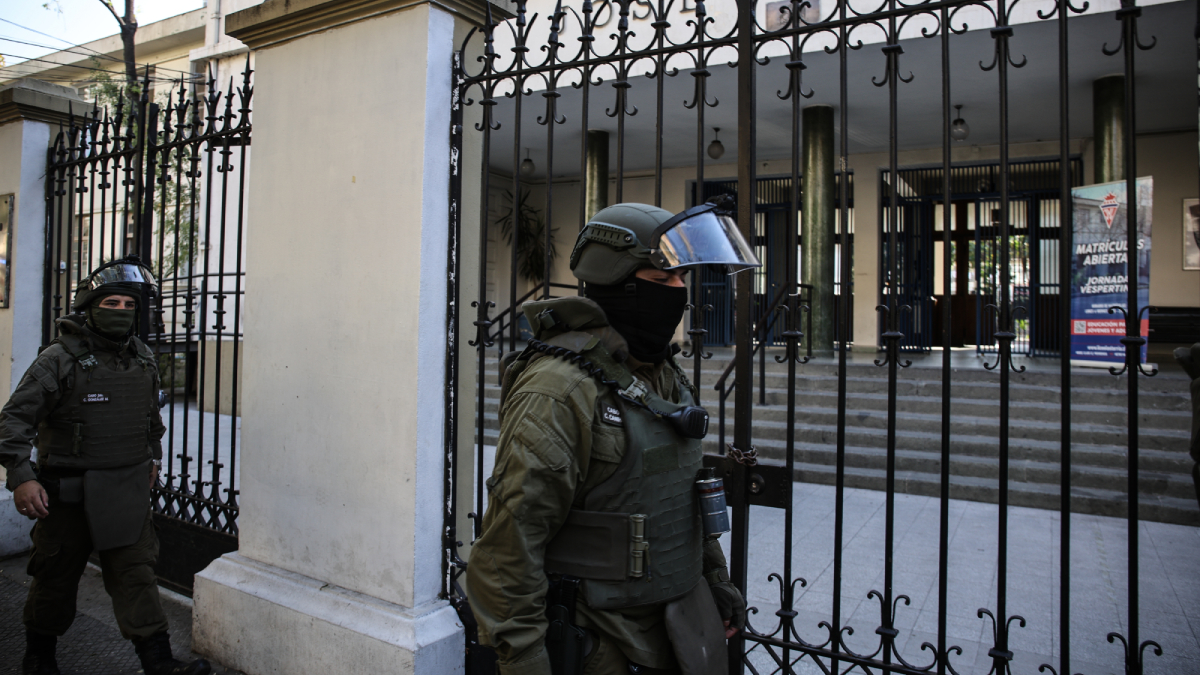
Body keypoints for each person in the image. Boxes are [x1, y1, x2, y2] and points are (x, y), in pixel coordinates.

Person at [467, 199, 758, 675]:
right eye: (663, 281)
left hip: (677, 629)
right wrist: (524, 660)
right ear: (619, 287)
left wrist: (714, 580)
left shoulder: (661, 375)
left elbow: (681, 497)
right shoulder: (559, 391)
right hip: (602, 644)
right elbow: (508, 548)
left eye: (682, 279)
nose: (679, 292)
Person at [1, 256, 211, 675]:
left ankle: (158, 661)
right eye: (111, 303)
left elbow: (151, 416)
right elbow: (13, 421)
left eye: (129, 305)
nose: (121, 312)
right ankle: (38, 657)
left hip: (125, 492)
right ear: (90, 306)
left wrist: (152, 454)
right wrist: (21, 476)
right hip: (67, 494)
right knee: (55, 580)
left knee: (136, 575)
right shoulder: (58, 359)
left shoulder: (143, 357)